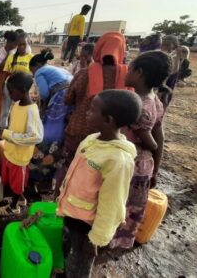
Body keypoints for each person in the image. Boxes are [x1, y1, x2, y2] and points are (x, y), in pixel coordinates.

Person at [57, 89, 142, 278]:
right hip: (73, 213)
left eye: (92, 110)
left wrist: (96, 238)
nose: (87, 112)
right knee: (68, 250)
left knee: (80, 262)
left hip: (88, 225)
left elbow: (112, 203)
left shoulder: (118, 160)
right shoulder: (91, 140)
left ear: (108, 120)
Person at [109, 51, 170, 249]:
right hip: (145, 164)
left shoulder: (137, 107)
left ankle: (105, 240)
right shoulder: (155, 100)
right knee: (130, 207)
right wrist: (155, 168)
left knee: (118, 204)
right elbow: (160, 134)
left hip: (132, 164)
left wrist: (150, 147)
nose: (126, 71)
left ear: (139, 72)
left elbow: (152, 141)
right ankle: (117, 241)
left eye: (131, 67)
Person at [63, 31, 129, 163]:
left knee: (70, 167)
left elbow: (68, 99)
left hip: (78, 130)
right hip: (107, 137)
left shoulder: (85, 73)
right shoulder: (126, 77)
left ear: (98, 49)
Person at [0, 72, 44, 215]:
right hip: (10, 151)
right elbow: (15, 126)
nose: (9, 94)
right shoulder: (17, 104)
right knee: (11, 181)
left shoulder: (32, 111)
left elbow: (35, 137)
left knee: (17, 184)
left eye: (11, 91)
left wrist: (7, 134)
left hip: (20, 157)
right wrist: (7, 133)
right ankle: (19, 198)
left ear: (23, 91)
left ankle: (14, 206)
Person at [28, 49, 73, 190]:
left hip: (60, 102)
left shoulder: (40, 72)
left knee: (48, 136)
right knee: (59, 136)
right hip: (71, 102)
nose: (33, 74)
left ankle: (42, 175)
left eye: (32, 71)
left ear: (36, 66)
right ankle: (54, 175)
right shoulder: (56, 69)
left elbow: (45, 93)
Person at [0, 32, 34, 137]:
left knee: (17, 111)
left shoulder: (31, 58)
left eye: (24, 44)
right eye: (20, 44)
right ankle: (1, 131)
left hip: (21, 91)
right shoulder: (11, 57)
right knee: (5, 110)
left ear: (28, 44)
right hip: (9, 88)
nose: (22, 47)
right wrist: (2, 87)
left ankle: (12, 131)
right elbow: (5, 73)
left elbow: (32, 76)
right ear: (17, 45)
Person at [0, 30, 18, 120]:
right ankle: (1, 129)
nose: (16, 46)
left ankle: (11, 126)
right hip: (0, 83)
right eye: (15, 44)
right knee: (0, 108)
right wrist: (8, 55)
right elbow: (0, 68)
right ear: (9, 42)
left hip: (13, 83)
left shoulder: (16, 52)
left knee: (13, 108)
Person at [157, 35, 180, 108]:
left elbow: (174, 71)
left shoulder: (175, 56)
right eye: (163, 44)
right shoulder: (161, 54)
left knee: (161, 104)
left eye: (167, 45)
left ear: (174, 45)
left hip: (167, 84)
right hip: (160, 85)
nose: (164, 47)